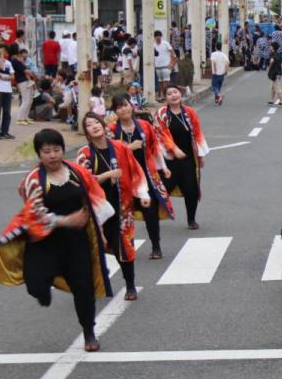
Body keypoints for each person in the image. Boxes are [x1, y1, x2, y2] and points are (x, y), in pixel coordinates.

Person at [0, 128, 114, 352]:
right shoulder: (34, 180)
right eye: (47, 151)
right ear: (39, 154)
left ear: (63, 150)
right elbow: (35, 214)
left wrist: (98, 230)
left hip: (76, 242)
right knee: (36, 285)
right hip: (44, 242)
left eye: (57, 150)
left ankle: (89, 333)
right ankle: (43, 290)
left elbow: (93, 198)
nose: (53, 155)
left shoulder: (77, 172)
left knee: (84, 288)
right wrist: (66, 221)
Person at [77, 113, 149, 301]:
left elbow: (135, 170)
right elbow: (82, 181)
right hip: (96, 211)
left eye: (96, 122)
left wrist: (143, 194)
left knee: (123, 246)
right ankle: (89, 285)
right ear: (86, 132)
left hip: (121, 206)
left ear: (103, 125)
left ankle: (130, 284)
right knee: (92, 248)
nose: (94, 126)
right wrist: (108, 175)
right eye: (89, 125)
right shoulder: (84, 154)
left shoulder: (119, 148)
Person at [111, 94, 173, 259]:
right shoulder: (111, 131)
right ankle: (126, 248)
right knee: (123, 215)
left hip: (146, 177)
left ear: (131, 106)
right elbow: (110, 154)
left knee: (150, 212)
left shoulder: (145, 126)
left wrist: (163, 167)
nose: (123, 109)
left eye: (125, 105)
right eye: (118, 107)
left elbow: (155, 149)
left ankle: (156, 245)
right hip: (122, 179)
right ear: (115, 112)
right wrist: (129, 148)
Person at [154, 86, 209, 230]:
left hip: (188, 158)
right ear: (165, 98)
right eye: (169, 93)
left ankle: (191, 219)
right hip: (169, 160)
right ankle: (151, 216)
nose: (173, 95)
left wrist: (200, 155)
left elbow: (197, 133)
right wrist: (174, 149)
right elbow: (160, 134)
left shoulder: (190, 112)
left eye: (175, 92)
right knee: (162, 189)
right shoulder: (162, 113)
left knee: (191, 190)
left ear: (180, 94)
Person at [0, 44, 16, 139]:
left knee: (7, 112)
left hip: (7, 90)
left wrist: (5, 78)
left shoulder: (9, 63)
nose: (0, 51)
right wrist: (1, 57)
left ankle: (5, 131)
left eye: (2, 50)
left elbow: (13, 77)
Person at [152, 31, 174, 101]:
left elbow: (172, 52)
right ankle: (163, 96)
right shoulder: (153, 45)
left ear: (161, 36)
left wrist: (171, 63)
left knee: (165, 84)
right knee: (160, 84)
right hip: (157, 66)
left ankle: (165, 96)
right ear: (154, 37)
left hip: (165, 66)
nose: (158, 37)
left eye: (159, 36)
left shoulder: (165, 43)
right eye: (156, 36)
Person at [266, 41, 282, 106]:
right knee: (273, 87)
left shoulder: (272, 54)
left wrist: (269, 67)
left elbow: (272, 61)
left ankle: (281, 101)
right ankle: (271, 100)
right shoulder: (280, 54)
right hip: (279, 73)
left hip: (274, 73)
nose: (270, 47)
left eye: (271, 46)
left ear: (273, 47)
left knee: (277, 87)